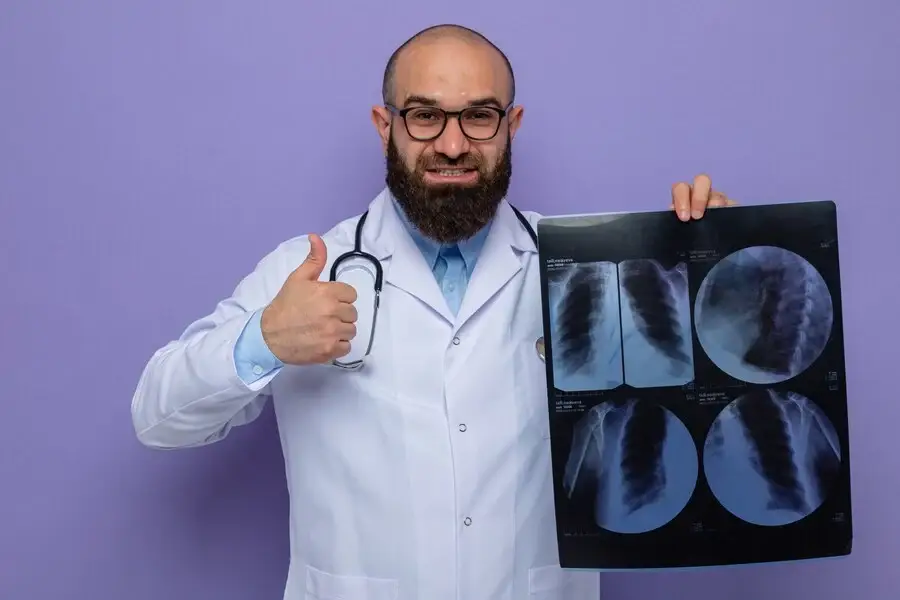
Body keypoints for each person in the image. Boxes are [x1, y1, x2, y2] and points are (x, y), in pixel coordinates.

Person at [131, 23, 735, 600]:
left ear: (512, 125)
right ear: (384, 125)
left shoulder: (588, 268)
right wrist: (262, 340)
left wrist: (717, 267)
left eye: (479, 116)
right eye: (424, 116)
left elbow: (707, 407)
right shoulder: (310, 267)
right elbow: (158, 419)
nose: (452, 144)